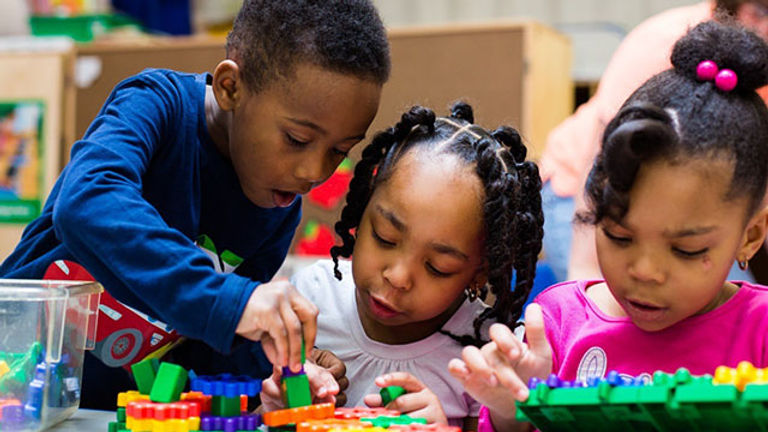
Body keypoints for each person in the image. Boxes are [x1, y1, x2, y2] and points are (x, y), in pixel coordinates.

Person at [0, 0, 390, 409]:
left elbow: (207, 347)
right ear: (230, 87)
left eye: (338, 151)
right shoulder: (157, 105)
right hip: (13, 384)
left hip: (112, 414)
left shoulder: (278, 209)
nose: (313, 172)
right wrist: (233, 302)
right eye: (296, 139)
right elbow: (85, 202)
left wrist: (278, 367)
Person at [450, 20, 768, 431]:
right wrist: (514, 411)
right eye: (619, 236)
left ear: (751, 237)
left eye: (686, 250)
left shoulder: (759, 330)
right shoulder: (557, 325)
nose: (645, 271)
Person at [258, 103, 544, 429]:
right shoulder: (309, 302)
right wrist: (279, 408)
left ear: (479, 272)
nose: (398, 277)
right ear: (363, 210)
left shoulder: (486, 356)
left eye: (437, 267)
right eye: (385, 238)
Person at [539, 0, 768, 282]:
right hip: (584, 186)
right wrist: (585, 274)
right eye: (762, 11)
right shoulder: (663, 41)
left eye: (686, 249)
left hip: (697, 197)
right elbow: (600, 157)